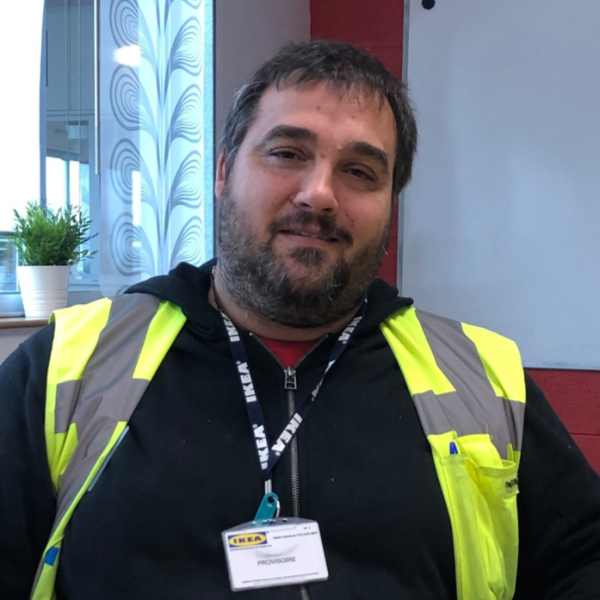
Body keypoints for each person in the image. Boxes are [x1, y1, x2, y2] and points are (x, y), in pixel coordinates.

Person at [1, 40, 600, 600]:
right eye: (287, 153)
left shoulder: (483, 381)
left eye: (360, 171)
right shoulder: (69, 368)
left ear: (391, 203)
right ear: (223, 170)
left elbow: (581, 558)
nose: (319, 194)